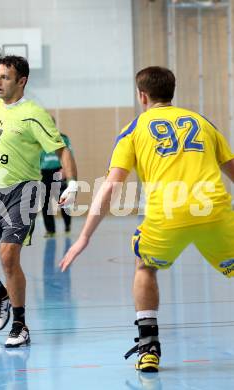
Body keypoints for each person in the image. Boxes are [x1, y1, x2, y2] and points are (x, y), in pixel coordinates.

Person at [59, 66, 234, 372]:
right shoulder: (202, 123)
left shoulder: (134, 129)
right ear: (171, 92)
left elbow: (111, 186)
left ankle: (148, 348)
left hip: (167, 215)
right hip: (214, 209)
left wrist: (84, 236)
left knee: (145, 266)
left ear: (142, 95)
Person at [0, 55, 78, 348]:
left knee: (8, 255)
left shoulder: (34, 114)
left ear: (22, 81)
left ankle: (20, 326)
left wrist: (72, 184)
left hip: (24, 190)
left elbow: (62, 149)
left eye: (5, 77)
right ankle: (0, 295)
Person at [40, 119, 73, 237]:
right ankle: (50, 230)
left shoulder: (63, 138)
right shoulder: (39, 139)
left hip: (59, 170)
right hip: (44, 172)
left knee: (63, 199)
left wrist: (65, 169)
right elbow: (35, 157)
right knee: (45, 202)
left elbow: (69, 154)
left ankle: (67, 224)